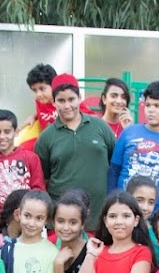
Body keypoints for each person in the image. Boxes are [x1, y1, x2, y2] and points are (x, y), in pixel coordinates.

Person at [36, 74, 116, 230]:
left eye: (71, 99)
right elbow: (43, 178)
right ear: (53, 102)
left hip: (99, 220)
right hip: (63, 224)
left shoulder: (100, 127)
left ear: (80, 98)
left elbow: (114, 162)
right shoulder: (46, 137)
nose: (67, 106)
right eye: (61, 100)